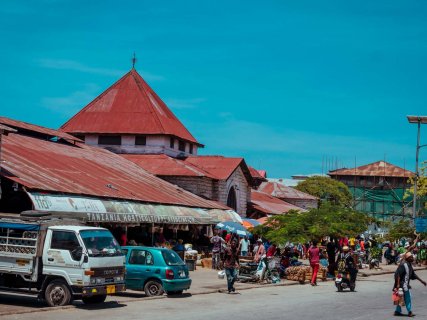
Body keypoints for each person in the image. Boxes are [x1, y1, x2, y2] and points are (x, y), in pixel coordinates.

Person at [393, 252, 426, 317]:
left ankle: (397, 311)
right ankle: (409, 311)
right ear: (408, 258)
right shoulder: (403, 264)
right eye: (411, 257)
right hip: (402, 285)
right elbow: (398, 274)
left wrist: (421, 281)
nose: (412, 258)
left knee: (400, 298)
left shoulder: (409, 265)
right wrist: (398, 284)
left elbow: (413, 275)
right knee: (408, 298)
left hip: (404, 285)